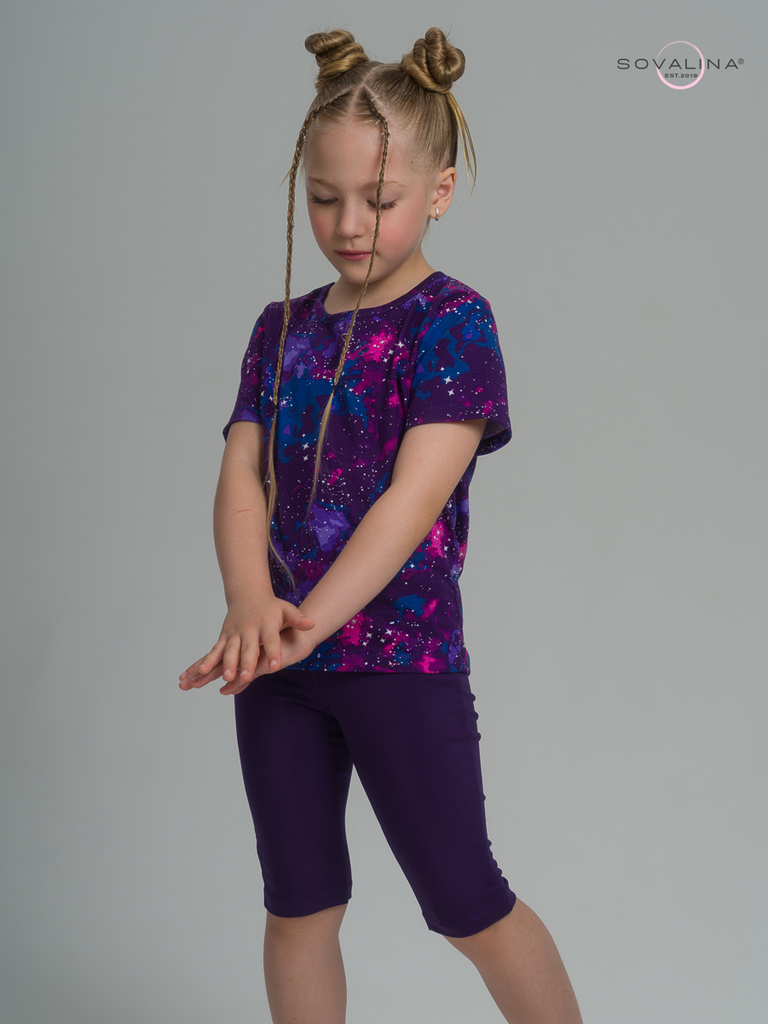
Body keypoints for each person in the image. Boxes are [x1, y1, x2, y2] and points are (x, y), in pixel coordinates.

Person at [179, 27, 583, 1024]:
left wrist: (303, 621)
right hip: (280, 671)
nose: (349, 223)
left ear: (438, 192)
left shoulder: (453, 323)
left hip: (400, 661)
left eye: (379, 199)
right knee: (297, 906)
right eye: (324, 198)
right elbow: (241, 475)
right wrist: (250, 602)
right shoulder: (279, 329)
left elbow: (411, 502)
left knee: (467, 903)